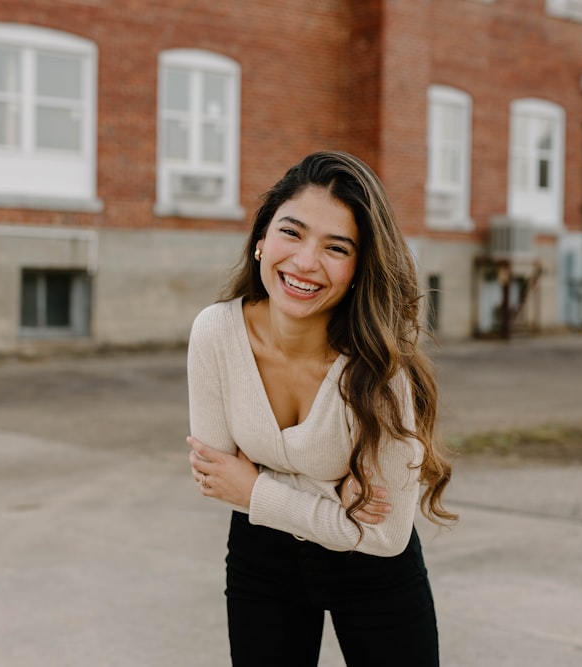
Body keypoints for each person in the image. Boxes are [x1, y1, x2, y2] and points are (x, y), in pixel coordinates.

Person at [186, 150, 456, 666]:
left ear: (359, 267)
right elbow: (218, 477)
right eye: (292, 232)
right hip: (261, 558)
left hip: (374, 574)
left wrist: (258, 486)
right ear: (261, 240)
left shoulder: (380, 370)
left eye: (336, 247)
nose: (306, 262)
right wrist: (334, 494)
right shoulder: (216, 332)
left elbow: (383, 535)